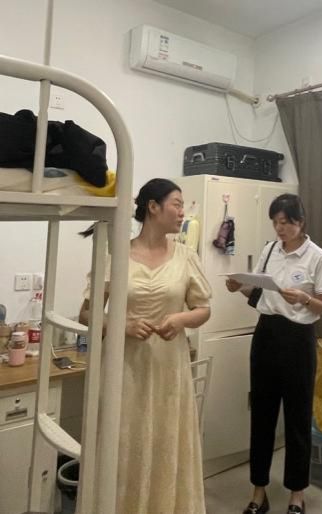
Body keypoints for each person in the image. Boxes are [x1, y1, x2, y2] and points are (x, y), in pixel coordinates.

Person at [79, 178, 211, 514]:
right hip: (125, 369)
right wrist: (121, 325)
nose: (182, 212)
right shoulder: (116, 254)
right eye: (177, 204)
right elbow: (86, 313)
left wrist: (180, 319)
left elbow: (203, 309)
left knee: (166, 443)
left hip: (170, 369)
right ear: (153, 207)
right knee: (123, 444)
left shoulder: (186, 256)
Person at [225, 193, 322, 514]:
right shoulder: (270, 250)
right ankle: (259, 491)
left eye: (285, 222)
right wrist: (239, 286)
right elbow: (258, 290)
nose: (280, 228)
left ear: (301, 221)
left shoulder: (317, 257)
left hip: (299, 339)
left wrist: (304, 299)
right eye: (275, 222)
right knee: (262, 415)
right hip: (266, 335)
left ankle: (297, 495)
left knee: (298, 418)